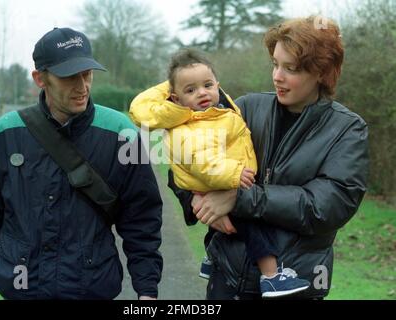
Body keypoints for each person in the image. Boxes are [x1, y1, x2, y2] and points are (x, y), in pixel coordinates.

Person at [168, 16, 369, 300]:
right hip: (225, 279)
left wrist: (239, 198)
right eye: (275, 64)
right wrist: (197, 201)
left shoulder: (347, 129)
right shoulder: (246, 108)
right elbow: (185, 158)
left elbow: (327, 206)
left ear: (322, 73)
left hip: (295, 287)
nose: (277, 76)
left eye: (291, 68)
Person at [0, 27, 163, 300]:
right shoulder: (5, 132)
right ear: (40, 79)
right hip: (21, 289)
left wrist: (146, 292)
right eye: (69, 77)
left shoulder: (121, 132)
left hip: (92, 289)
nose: (83, 86)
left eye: (87, 74)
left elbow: (142, 218)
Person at [130, 48, 310, 298]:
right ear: (175, 100)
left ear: (218, 86)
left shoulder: (218, 111)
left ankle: (209, 259)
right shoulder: (189, 126)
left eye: (207, 85)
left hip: (222, 182)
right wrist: (234, 174)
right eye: (190, 90)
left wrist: (186, 75)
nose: (202, 93)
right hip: (221, 181)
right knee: (253, 226)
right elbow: (203, 161)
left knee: (227, 225)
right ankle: (271, 277)